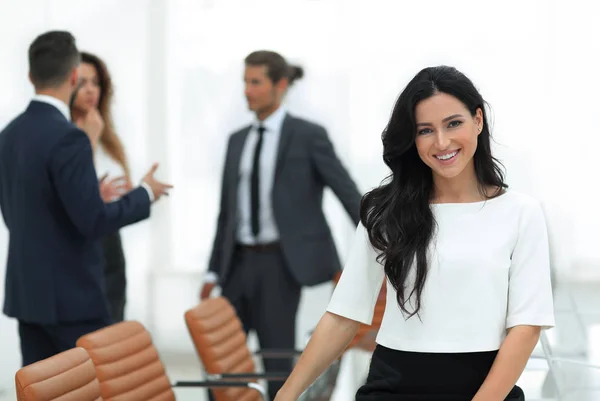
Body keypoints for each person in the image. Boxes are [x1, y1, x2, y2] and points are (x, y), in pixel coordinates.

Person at [274, 66, 555, 401]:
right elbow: (343, 316)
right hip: (392, 385)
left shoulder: (521, 213)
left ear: (478, 120)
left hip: (485, 389)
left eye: (454, 123)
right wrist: (284, 396)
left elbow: (526, 327)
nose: (442, 142)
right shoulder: (384, 211)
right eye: (425, 130)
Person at [0, 31, 172, 366]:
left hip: (28, 295)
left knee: (42, 389)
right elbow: (94, 221)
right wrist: (145, 194)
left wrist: (89, 196)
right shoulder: (69, 138)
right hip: (71, 297)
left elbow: (18, 213)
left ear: (30, 75)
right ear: (74, 76)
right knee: (87, 388)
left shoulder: (8, 135)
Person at [200, 50, 362, 400]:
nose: (247, 90)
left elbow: (347, 193)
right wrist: (212, 271)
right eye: (245, 82)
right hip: (236, 266)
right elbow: (226, 214)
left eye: (255, 82)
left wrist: (381, 244)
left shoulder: (308, 136)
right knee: (221, 363)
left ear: (281, 84)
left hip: (280, 266)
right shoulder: (237, 140)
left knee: (277, 364)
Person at [70, 51, 132, 323]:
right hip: (79, 248)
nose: (90, 90)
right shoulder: (65, 133)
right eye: (82, 83)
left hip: (110, 243)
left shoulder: (106, 131)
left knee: (113, 325)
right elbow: (77, 192)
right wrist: (89, 141)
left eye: (95, 83)